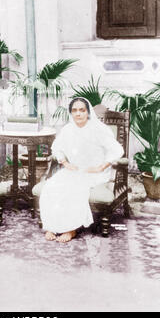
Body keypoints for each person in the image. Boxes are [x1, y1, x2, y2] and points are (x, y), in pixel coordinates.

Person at [39, 97, 124, 243]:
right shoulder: (67, 130)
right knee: (51, 186)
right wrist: (65, 163)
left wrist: (102, 166)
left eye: (82, 110)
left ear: (88, 112)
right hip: (74, 170)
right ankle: (51, 226)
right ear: (71, 113)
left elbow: (117, 149)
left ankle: (71, 229)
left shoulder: (98, 129)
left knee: (75, 187)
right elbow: (56, 148)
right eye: (74, 110)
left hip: (95, 172)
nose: (78, 114)